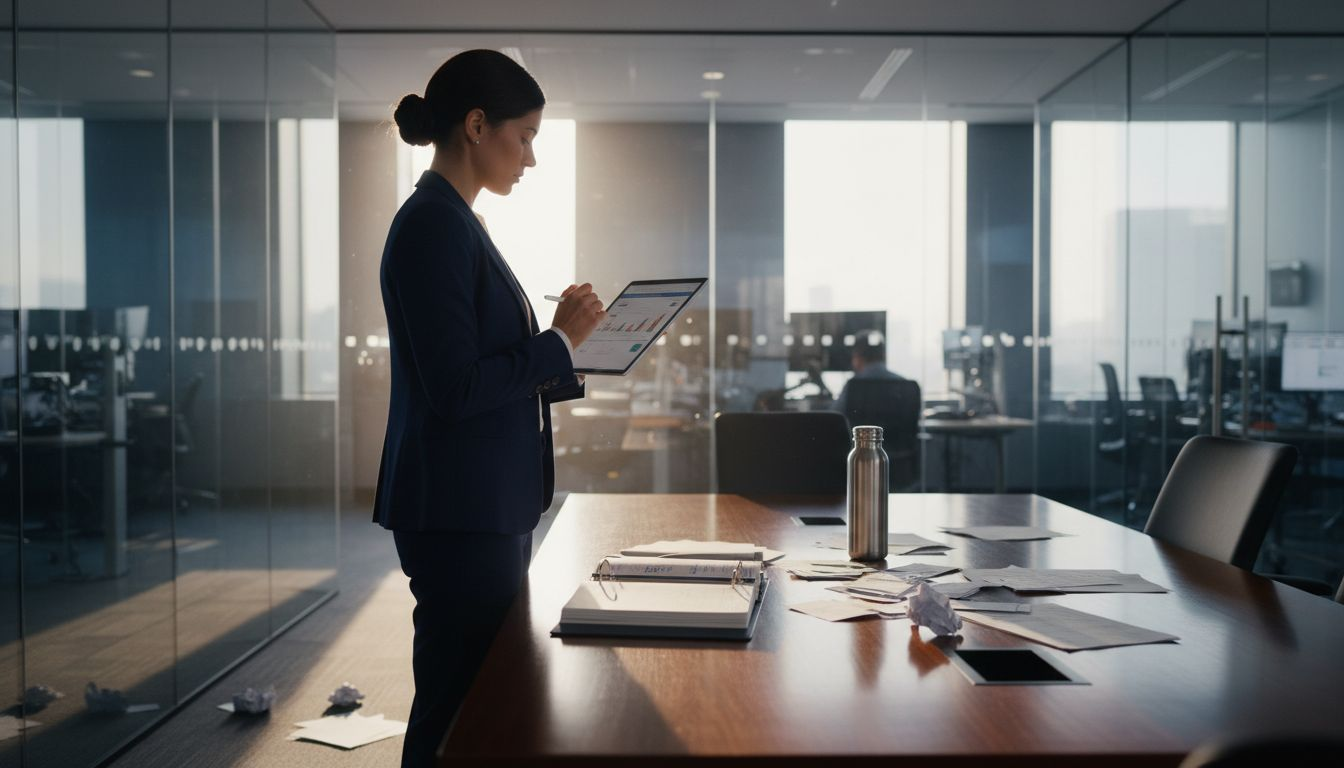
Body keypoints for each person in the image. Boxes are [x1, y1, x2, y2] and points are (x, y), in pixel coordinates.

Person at [374, 49, 606, 768]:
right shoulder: (435, 225)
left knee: (472, 696)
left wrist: (564, 351)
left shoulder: (454, 221)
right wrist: (558, 342)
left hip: (476, 506)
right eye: (526, 136)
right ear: (477, 126)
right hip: (458, 512)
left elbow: (479, 371)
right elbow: (455, 389)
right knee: (459, 703)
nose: (531, 158)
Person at [832, 330, 903, 415]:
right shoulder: (903, 385)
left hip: (860, 429)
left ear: (857, 356)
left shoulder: (854, 386)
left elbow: (834, 415)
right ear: (883, 355)